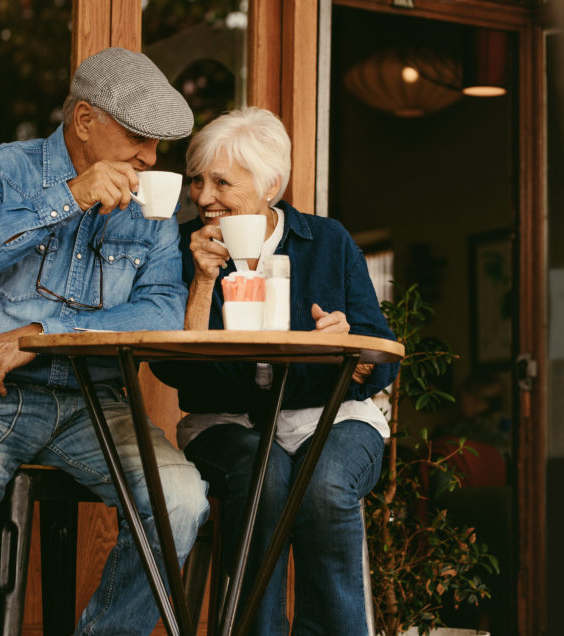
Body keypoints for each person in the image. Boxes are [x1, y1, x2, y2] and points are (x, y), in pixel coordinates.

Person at [0, 47, 208, 636]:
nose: (150, 157)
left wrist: (45, 336)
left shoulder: (153, 207)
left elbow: (165, 307)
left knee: (182, 501)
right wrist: (68, 195)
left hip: (99, 406)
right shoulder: (1, 170)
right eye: (139, 137)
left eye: (158, 144)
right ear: (85, 121)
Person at [151, 106, 399, 635]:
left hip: (331, 419)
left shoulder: (327, 242)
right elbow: (175, 371)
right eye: (196, 180)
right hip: (229, 424)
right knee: (262, 479)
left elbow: (381, 352)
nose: (201, 196)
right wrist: (200, 283)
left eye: (221, 181)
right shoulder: (182, 248)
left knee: (326, 485)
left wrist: (347, 344)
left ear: (270, 185)